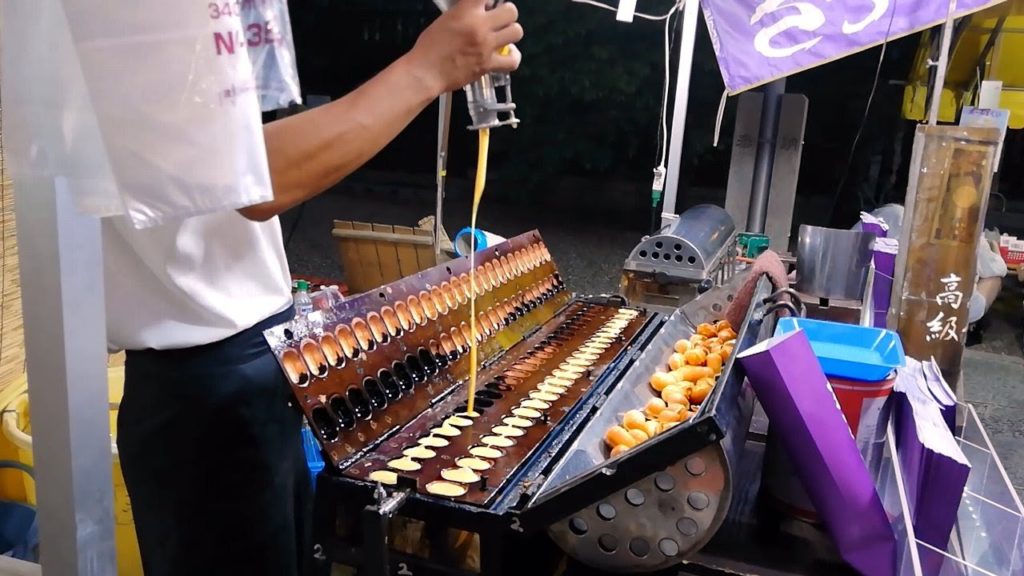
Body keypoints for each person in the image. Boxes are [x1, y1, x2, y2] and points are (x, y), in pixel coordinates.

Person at [105, 2, 523, 575]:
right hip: (203, 392)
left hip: (242, 370)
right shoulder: (132, 17)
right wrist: (427, 68)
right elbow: (252, 179)